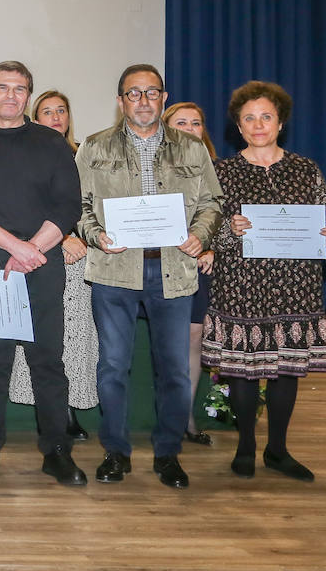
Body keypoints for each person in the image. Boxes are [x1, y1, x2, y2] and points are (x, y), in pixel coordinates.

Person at [76, 66, 223, 489]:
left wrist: (200, 234)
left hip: (174, 269)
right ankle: (116, 452)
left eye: (151, 92)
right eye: (133, 93)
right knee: (113, 367)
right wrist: (96, 234)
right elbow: (77, 203)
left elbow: (213, 201)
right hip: (114, 270)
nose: (142, 101)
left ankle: (168, 454)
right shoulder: (94, 146)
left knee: (175, 370)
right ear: (120, 100)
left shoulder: (192, 148)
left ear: (163, 96)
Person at [0, 60, 86, 486]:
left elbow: (67, 206)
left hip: (42, 261)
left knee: (48, 359)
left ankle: (57, 451)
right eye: (3, 87)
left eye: (20, 89)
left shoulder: (51, 142)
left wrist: (32, 249)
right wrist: (14, 248)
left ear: (28, 95)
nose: (11, 95)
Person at [202, 81, 326, 482]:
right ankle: (245, 446)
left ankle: (278, 450)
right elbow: (204, 235)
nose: (258, 124)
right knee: (244, 371)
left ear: (280, 122)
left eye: (266, 116)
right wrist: (231, 230)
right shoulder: (221, 172)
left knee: (285, 371)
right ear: (238, 126)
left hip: (295, 285)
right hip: (240, 287)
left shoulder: (305, 169)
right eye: (249, 118)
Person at [9, 90, 96, 442]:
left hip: (81, 259)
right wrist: (61, 239)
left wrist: (86, 240)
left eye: (62, 110)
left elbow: (95, 206)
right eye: (47, 111)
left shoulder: (85, 156)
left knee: (75, 336)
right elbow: (21, 208)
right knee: (47, 335)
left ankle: (71, 408)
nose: (56, 117)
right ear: (35, 117)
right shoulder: (25, 156)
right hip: (39, 253)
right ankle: (53, 410)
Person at [163, 100, 218, 445]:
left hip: (198, 264)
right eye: (180, 122)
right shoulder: (146, 168)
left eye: (195, 123)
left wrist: (211, 246)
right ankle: (167, 417)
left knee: (193, 340)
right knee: (164, 342)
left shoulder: (216, 169)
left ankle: (185, 418)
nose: (188, 128)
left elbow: (224, 217)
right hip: (153, 266)